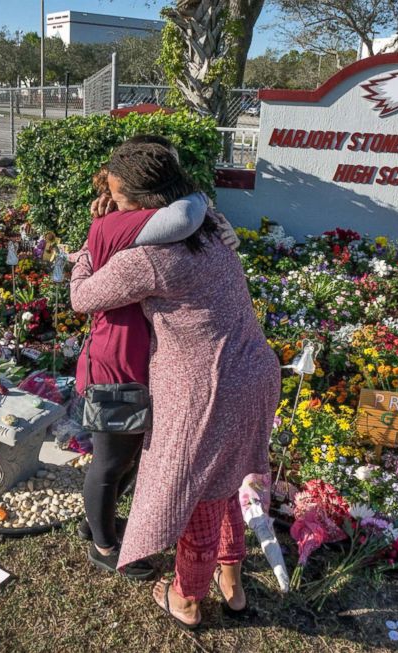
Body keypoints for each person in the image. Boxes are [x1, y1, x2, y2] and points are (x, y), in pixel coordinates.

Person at [70, 141, 279, 629]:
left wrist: (87, 247)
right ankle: (234, 586)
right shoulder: (211, 227)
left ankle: (186, 598)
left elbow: (83, 297)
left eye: (120, 199)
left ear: (144, 201)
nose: (116, 207)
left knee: (198, 495)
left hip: (207, 389)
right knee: (235, 482)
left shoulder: (148, 258)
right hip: (256, 370)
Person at [76, 136, 240, 581]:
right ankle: (104, 544)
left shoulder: (163, 224)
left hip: (144, 358)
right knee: (112, 460)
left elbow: (192, 211)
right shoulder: (130, 225)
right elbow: (191, 208)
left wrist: (224, 229)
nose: (114, 200)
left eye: (118, 192)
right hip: (117, 360)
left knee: (125, 458)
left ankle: (96, 524)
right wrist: (82, 260)